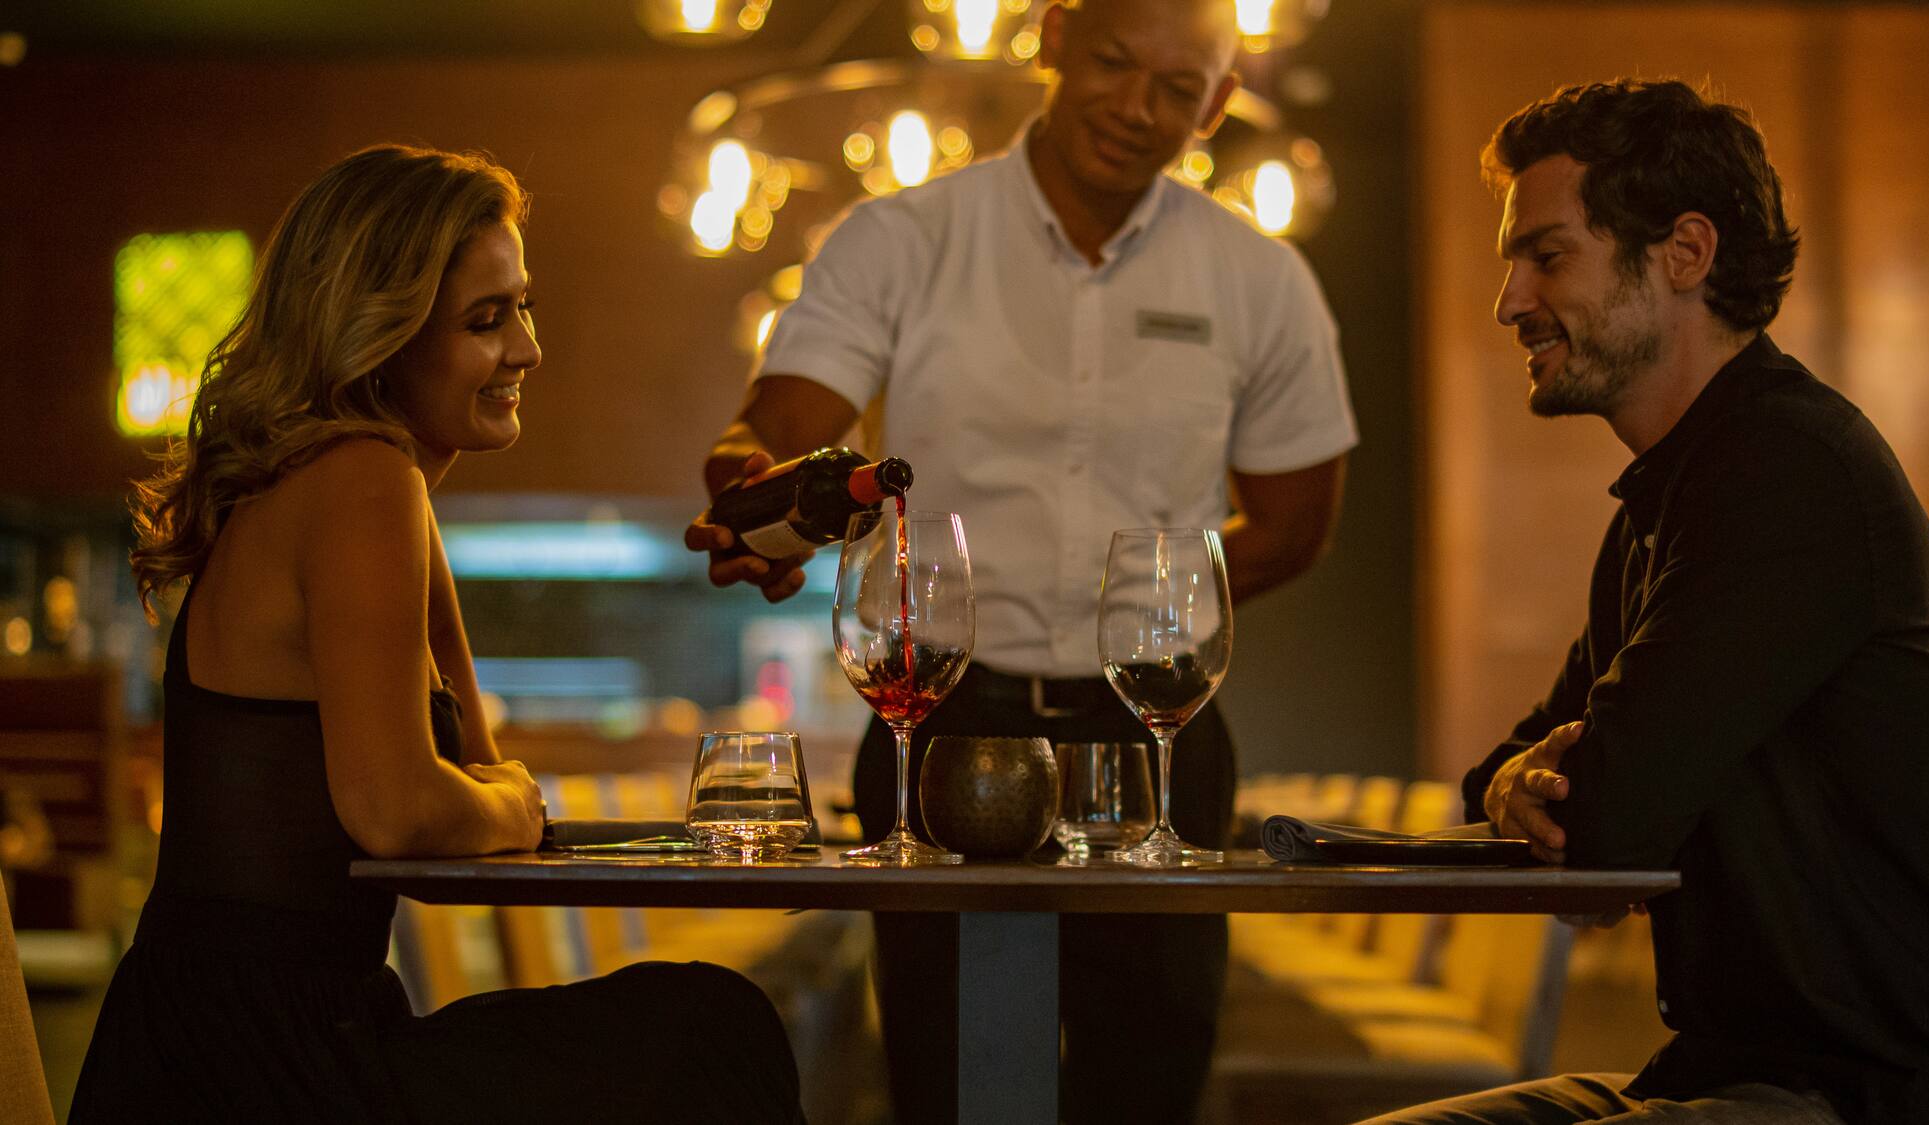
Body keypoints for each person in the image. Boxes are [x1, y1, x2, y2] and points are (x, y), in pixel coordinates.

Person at [684, 0, 1357, 1118]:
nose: (1136, 108)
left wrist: (1152, 622)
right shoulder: (901, 236)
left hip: (1154, 739)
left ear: (1219, 104)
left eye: (1177, 89)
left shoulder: (1257, 277)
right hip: (942, 724)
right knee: (956, 1084)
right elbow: (772, 434)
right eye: (1109, 62)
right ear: (1049, 37)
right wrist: (753, 494)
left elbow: (1294, 524)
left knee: (1145, 1083)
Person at [70, 144, 805, 1124]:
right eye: (484, 320)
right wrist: (513, 803)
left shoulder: (373, 484)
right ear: (380, 333)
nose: (528, 350)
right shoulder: (359, 476)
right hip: (259, 1065)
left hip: (234, 1042)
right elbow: (404, 810)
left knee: (695, 1026)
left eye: (523, 307)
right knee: (709, 1029)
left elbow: (472, 775)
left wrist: (498, 798)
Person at [1360, 79, 1929, 1125]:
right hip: (1717, 1074)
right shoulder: (1664, 505)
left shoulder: (1789, 472)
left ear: (1684, 254)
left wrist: (1562, 779)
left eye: (1547, 255)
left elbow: (1604, 815)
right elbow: (1498, 777)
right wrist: (1528, 776)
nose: (1508, 301)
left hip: (1868, 1091)